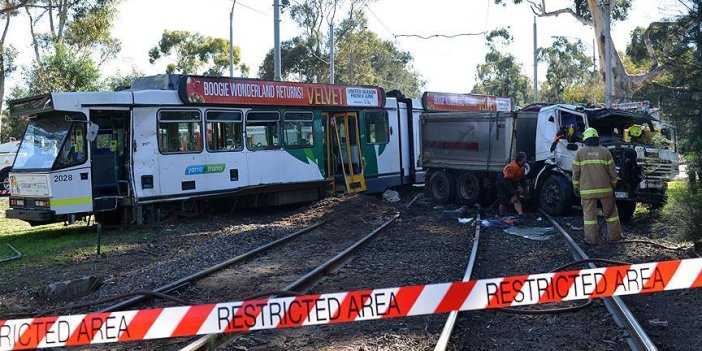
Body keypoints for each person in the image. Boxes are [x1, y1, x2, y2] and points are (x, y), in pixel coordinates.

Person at [572, 128, 622, 244]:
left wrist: (576, 187)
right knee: (611, 214)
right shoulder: (605, 151)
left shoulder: (580, 152)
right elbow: (612, 171)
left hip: (587, 191)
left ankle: (591, 240)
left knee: (589, 217)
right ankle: (615, 237)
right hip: (605, 190)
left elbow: (576, 172)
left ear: (585, 139)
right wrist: (614, 184)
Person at [497, 151, 527, 216]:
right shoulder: (511, 167)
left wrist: (523, 187)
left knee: (516, 198)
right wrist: (513, 191)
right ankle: (502, 215)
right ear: (522, 159)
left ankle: (520, 214)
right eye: (525, 158)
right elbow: (506, 180)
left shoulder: (522, 166)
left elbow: (522, 178)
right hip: (503, 183)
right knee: (503, 200)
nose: (526, 159)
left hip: (511, 181)